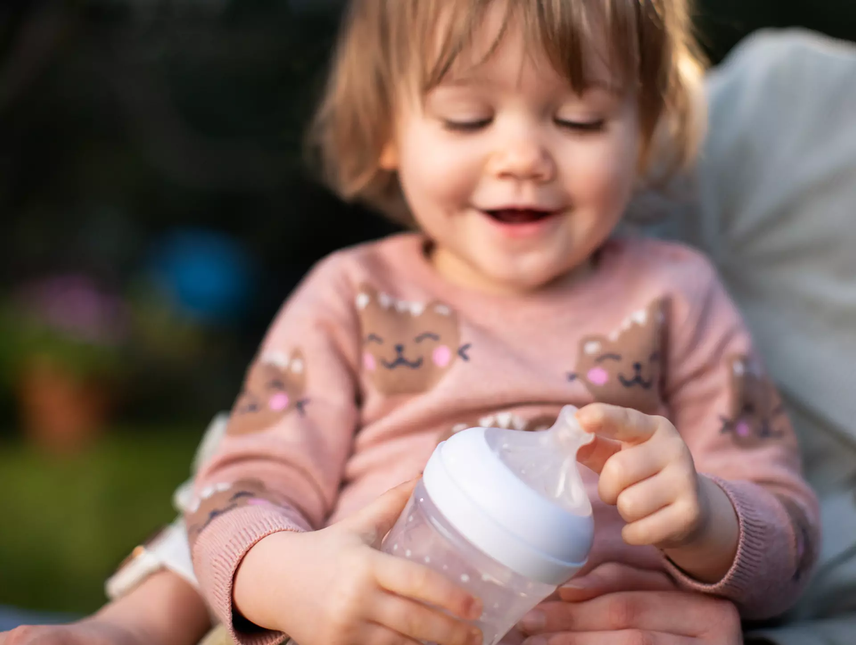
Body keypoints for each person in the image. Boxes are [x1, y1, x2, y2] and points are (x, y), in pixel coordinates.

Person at [1, 2, 820, 644]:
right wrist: (287, 577)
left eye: (578, 121)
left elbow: (788, 531)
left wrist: (709, 519)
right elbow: (240, 489)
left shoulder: (677, 294)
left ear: (643, 132)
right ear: (389, 130)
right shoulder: (354, 295)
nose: (523, 156)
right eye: (469, 118)